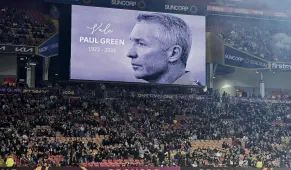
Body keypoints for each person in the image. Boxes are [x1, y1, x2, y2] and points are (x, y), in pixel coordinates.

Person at [127, 13, 198, 85]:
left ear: (174, 53)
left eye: (141, 44)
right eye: (133, 42)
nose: (130, 54)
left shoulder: (195, 95)